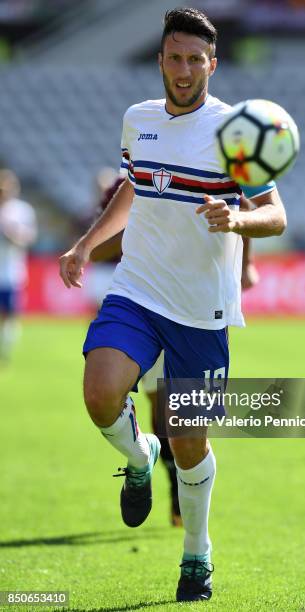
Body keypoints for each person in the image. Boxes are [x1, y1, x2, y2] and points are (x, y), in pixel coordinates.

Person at [59, 7, 286, 602]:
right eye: (175, 57)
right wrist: (86, 245)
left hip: (202, 309)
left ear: (212, 63)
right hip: (138, 288)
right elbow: (133, 186)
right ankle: (139, 455)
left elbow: (277, 213)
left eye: (196, 59)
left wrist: (236, 217)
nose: (184, 69)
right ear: (160, 59)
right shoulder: (139, 120)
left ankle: (197, 553)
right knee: (99, 392)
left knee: (191, 445)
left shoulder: (235, 131)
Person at [90, 192, 260, 528]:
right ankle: (165, 478)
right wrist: (92, 247)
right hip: (148, 305)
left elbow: (249, 204)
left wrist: (246, 263)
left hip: (197, 307)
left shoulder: (207, 169)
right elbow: (117, 238)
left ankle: (182, 503)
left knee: (183, 418)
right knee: (160, 409)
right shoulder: (131, 182)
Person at [0, 169, 37, 362]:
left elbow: (30, 237)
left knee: (10, 315)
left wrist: (13, 235)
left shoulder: (22, 210)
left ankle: (5, 350)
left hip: (11, 272)